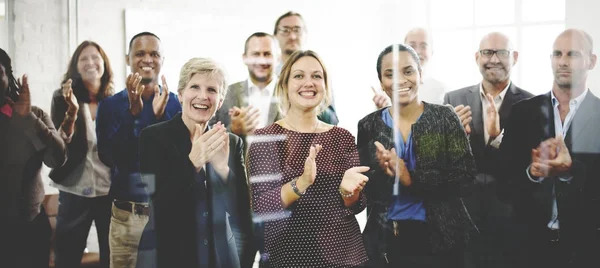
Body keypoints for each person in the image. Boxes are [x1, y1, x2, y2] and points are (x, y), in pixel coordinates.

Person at [358, 44, 477, 268]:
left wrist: (410, 177)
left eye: (408, 71)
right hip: (385, 240)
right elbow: (367, 191)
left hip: (441, 240)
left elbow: (466, 179)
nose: (401, 80)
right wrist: (382, 173)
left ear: (420, 75)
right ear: (382, 82)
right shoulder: (368, 125)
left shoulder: (444, 117)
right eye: (390, 74)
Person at [248, 50, 369, 267]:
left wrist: (349, 191)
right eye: (298, 76)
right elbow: (262, 206)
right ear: (284, 85)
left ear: (325, 85)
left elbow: (357, 205)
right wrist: (301, 183)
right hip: (288, 256)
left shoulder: (342, 137)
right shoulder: (265, 138)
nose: (308, 83)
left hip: (345, 257)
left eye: (316, 76)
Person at [499, 28, 600, 268]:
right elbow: (503, 182)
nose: (563, 62)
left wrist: (571, 170)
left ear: (591, 61)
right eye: (557, 54)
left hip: (586, 249)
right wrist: (532, 173)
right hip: (529, 247)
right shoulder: (523, 112)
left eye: (572, 54)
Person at [138, 57, 246, 267]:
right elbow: (160, 203)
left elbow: (241, 211)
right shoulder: (153, 138)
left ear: (221, 101)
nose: (203, 96)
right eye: (194, 87)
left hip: (220, 256)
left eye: (212, 90)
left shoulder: (231, 142)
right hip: (169, 253)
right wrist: (193, 163)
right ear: (180, 95)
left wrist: (223, 170)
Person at [443, 32, 533, 268]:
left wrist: (497, 138)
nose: (494, 59)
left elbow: (527, 169)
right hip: (463, 218)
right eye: (487, 52)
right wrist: (454, 137)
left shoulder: (532, 105)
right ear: (477, 57)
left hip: (509, 222)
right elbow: (440, 164)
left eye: (501, 53)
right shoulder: (453, 99)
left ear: (514, 57)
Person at [95, 32, 181, 268]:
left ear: (163, 59)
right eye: (140, 53)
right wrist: (133, 115)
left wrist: (158, 119)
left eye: (154, 54)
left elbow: (178, 161)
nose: (147, 59)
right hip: (126, 216)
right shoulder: (110, 106)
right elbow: (110, 158)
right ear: (128, 58)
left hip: (167, 215)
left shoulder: (176, 104)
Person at [210, 31, 280, 267]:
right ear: (244, 57)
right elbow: (206, 135)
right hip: (236, 202)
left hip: (277, 202)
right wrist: (233, 129)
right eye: (256, 54)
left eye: (267, 54)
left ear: (277, 57)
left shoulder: (290, 93)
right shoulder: (226, 92)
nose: (261, 59)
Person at [0, 47, 67, 268]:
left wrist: (27, 118)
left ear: (8, 78)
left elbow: (56, 159)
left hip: (29, 229)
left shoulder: (35, 116)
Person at [50, 40, 114, 268]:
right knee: (67, 255)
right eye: (83, 58)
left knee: (113, 254)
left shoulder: (115, 100)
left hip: (109, 189)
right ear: (76, 67)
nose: (90, 63)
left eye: (95, 57)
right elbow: (59, 143)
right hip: (75, 188)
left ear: (104, 63)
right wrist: (71, 114)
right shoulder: (62, 97)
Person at [274, 11, 339, 125]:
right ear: (275, 36)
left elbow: (333, 119)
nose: (292, 36)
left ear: (305, 34)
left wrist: (310, 104)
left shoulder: (320, 71)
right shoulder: (267, 75)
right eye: (285, 30)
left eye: (297, 30)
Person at [372, 27, 447, 108]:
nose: (417, 51)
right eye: (412, 46)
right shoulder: (387, 88)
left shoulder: (442, 90)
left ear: (431, 52)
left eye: (423, 46)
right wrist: (381, 110)